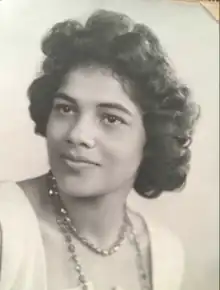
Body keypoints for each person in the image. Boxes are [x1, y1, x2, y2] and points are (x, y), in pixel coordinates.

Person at [0, 9, 200, 290]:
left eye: (111, 118)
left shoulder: (166, 254)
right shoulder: (6, 226)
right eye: (66, 109)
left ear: (152, 138)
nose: (78, 135)